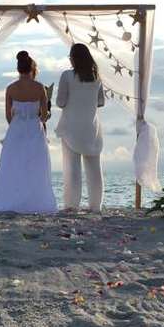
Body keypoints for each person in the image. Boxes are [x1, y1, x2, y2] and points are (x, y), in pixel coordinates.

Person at [0, 51, 57, 213]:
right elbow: (44, 116)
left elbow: (7, 116)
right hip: (34, 129)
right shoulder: (40, 87)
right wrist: (38, 117)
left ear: (18, 69)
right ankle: (35, 201)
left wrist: (17, 125)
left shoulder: (11, 88)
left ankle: (12, 200)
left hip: (16, 130)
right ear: (32, 69)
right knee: (35, 167)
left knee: (13, 166)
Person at [56, 43, 105, 212]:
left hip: (71, 127)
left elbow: (60, 102)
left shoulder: (67, 76)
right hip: (91, 128)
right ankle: (95, 206)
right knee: (95, 170)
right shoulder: (97, 78)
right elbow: (101, 102)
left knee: (72, 170)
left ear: (73, 58)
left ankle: (71, 205)